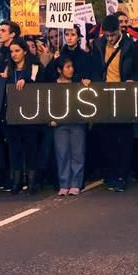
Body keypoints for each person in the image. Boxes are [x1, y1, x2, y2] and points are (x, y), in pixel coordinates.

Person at [92, 14, 138, 192]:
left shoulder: (131, 47)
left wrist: (133, 80)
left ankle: (122, 175)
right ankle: (111, 173)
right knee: (107, 138)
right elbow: (95, 68)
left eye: (112, 35)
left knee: (124, 138)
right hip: (104, 96)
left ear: (119, 31)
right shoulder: (97, 45)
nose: (110, 38)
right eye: (107, 35)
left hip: (123, 96)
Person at [3, 38, 46, 195]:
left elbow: (38, 82)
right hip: (12, 114)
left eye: (17, 51)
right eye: (12, 51)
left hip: (30, 115)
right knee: (14, 149)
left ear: (25, 52)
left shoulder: (34, 67)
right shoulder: (8, 70)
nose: (14, 54)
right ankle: (16, 181)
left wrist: (25, 79)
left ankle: (32, 182)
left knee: (31, 148)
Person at [51, 55, 86, 195]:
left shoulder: (78, 83)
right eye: (67, 67)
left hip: (77, 122)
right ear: (59, 70)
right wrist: (50, 118)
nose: (71, 70)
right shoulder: (53, 86)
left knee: (78, 154)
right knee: (62, 154)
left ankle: (76, 183)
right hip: (59, 124)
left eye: (72, 66)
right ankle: (64, 183)